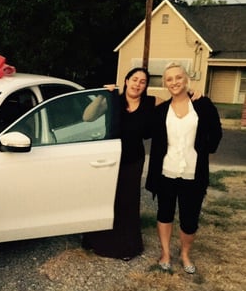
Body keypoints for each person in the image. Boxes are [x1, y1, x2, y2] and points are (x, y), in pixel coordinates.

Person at [81, 67, 202, 260]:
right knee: (106, 198)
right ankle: (98, 241)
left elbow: (176, 104)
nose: (138, 84)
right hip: (110, 157)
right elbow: (87, 117)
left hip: (133, 160)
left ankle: (125, 247)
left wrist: (191, 93)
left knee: (127, 202)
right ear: (126, 81)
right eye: (134, 79)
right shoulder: (113, 101)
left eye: (142, 81)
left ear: (146, 86)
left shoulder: (152, 102)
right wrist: (102, 95)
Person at [145, 63, 222, 274]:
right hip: (166, 171)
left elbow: (216, 131)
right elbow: (139, 120)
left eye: (178, 77)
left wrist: (206, 149)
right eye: (169, 79)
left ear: (186, 79)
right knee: (164, 213)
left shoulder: (202, 104)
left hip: (193, 172)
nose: (174, 82)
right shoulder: (161, 111)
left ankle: (185, 253)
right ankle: (166, 253)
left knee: (190, 219)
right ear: (165, 84)